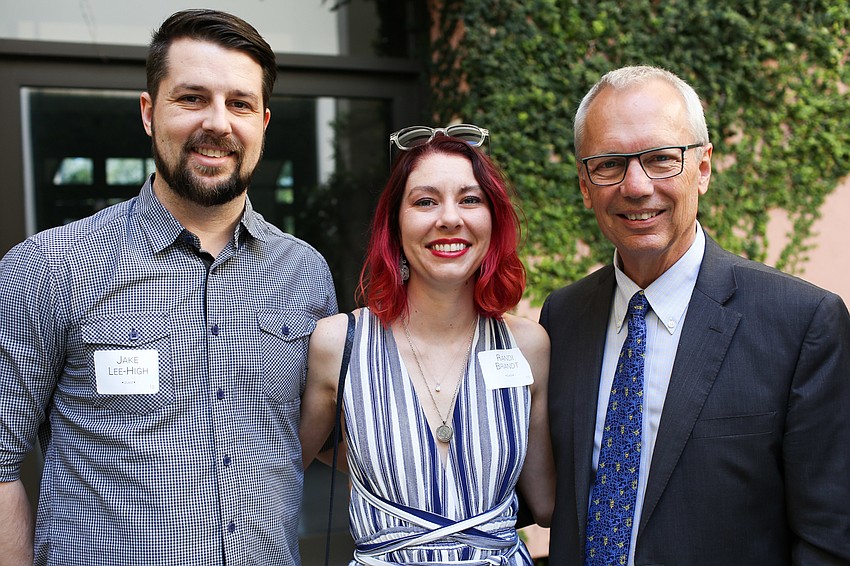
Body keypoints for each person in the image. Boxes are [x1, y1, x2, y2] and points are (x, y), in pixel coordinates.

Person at [0, 9, 337, 566]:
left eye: (240, 103)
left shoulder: (304, 273)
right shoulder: (49, 266)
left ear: (264, 123)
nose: (218, 123)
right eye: (192, 98)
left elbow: (330, 445)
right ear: (149, 112)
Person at [541, 64, 850, 565]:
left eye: (661, 159)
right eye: (609, 164)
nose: (636, 186)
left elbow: (830, 538)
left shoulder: (802, 324)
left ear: (703, 168)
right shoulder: (564, 317)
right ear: (584, 183)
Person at [300, 127, 554, 564]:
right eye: (425, 201)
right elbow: (276, 473)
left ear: (493, 220)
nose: (450, 218)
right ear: (395, 226)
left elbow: (547, 503)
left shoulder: (527, 345)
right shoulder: (338, 344)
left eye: (470, 199)